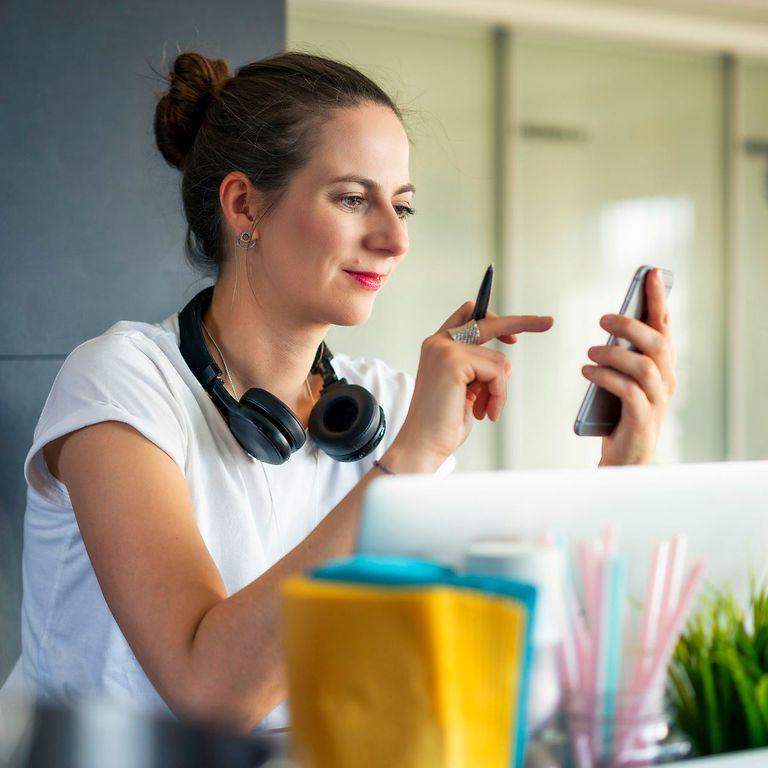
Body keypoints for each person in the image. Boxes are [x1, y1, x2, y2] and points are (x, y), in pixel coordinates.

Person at [16, 51, 676, 733]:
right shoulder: (123, 381)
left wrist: (623, 472)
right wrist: (407, 463)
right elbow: (210, 693)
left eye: (404, 205)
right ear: (244, 205)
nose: (394, 240)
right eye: (354, 199)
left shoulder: (384, 402)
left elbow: (491, 657)